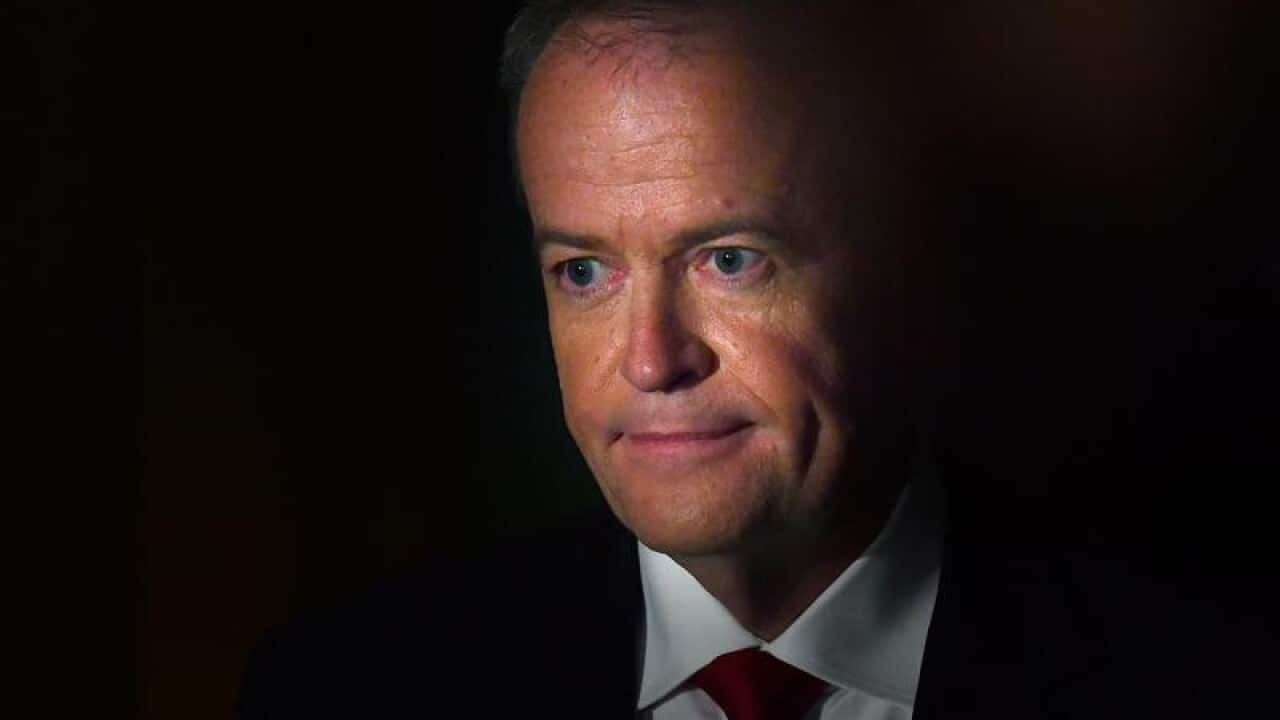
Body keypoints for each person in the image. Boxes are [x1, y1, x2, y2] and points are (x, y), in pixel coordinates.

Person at [236, 2, 1274, 718]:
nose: (649, 360)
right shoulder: (347, 694)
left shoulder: (1210, 683)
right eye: (583, 272)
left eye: (729, 259)